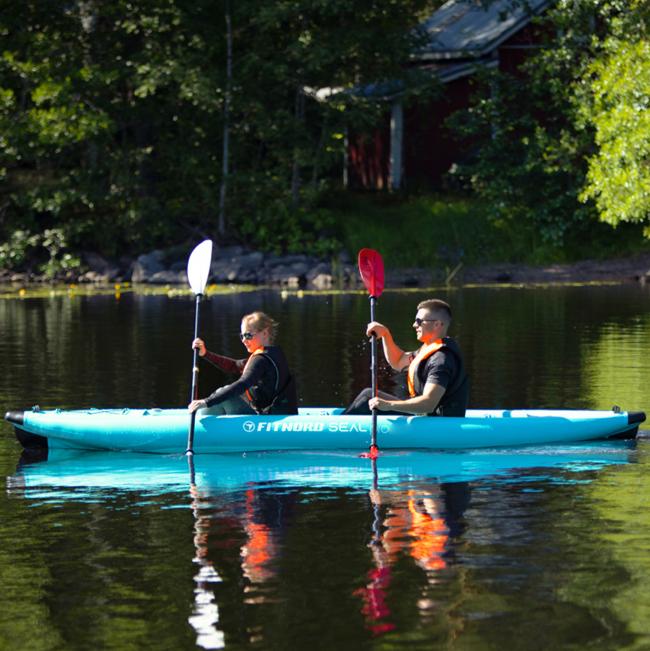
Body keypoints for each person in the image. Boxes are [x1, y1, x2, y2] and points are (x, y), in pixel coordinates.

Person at [344, 299, 469, 416]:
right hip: (425, 417)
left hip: (438, 425)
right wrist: (385, 335)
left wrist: (388, 405)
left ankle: (337, 429)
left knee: (367, 397)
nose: (414, 325)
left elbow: (429, 404)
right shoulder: (428, 349)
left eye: (419, 321)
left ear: (437, 324)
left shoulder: (441, 360)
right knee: (370, 394)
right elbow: (398, 361)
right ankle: (341, 425)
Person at [188, 311, 298, 416]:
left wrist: (207, 402)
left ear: (265, 333)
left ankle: (202, 429)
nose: (244, 340)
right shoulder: (273, 354)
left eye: (248, 335)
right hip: (276, 411)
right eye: (242, 336)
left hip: (267, 415)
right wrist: (205, 354)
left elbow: (243, 384)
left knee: (222, 393)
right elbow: (234, 365)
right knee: (224, 394)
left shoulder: (261, 359)